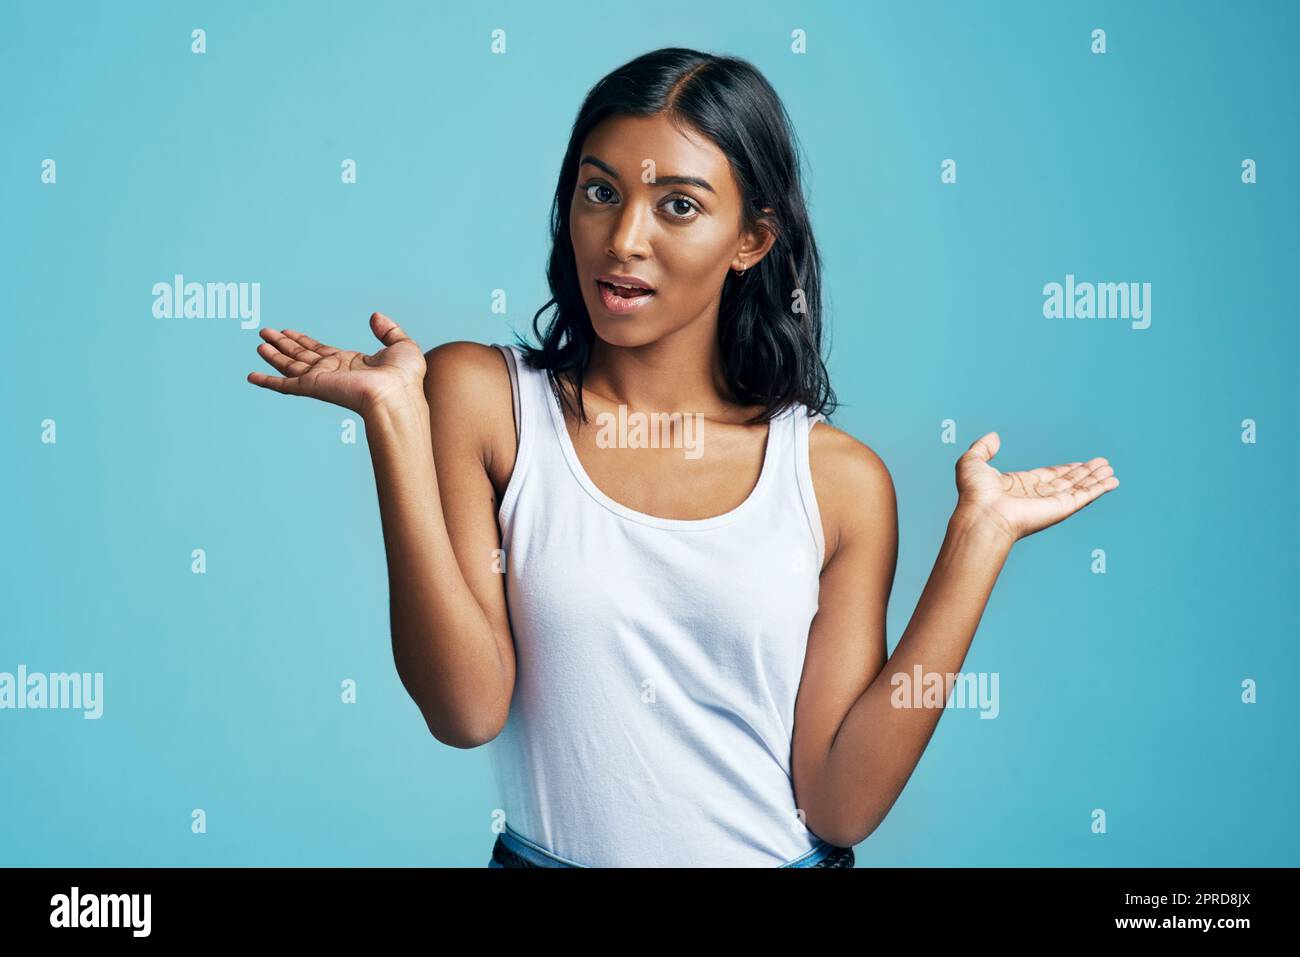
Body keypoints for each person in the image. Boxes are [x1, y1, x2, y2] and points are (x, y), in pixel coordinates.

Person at [246, 48, 1119, 868]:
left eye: (679, 205)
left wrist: (980, 539)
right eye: (599, 191)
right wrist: (394, 419)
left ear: (753, 239)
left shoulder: (836, 481)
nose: (624, 238)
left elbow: (841, 804)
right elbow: (466, 708)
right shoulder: (482, 398)